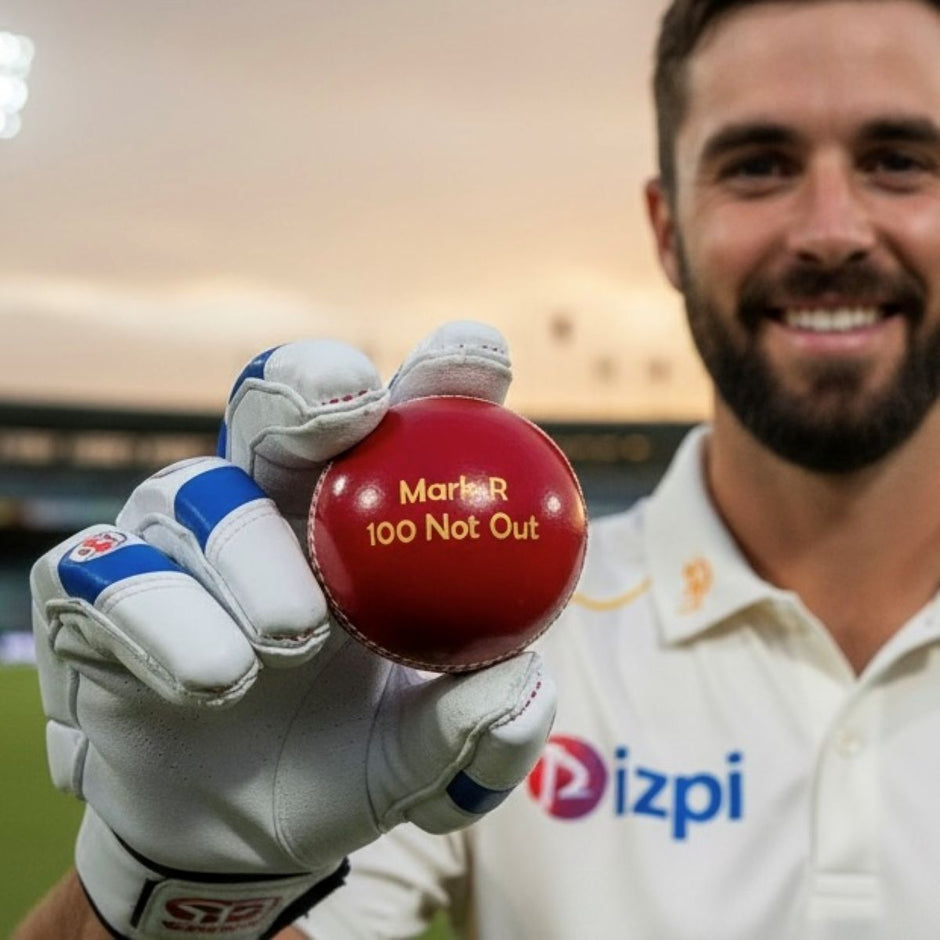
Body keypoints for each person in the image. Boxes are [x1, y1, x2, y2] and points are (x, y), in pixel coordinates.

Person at [16, 0, 940, 936]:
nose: (833, 230)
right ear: (667, 229)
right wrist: (188, 882)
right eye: (759, 166)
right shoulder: (468, 634)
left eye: (900, 160)